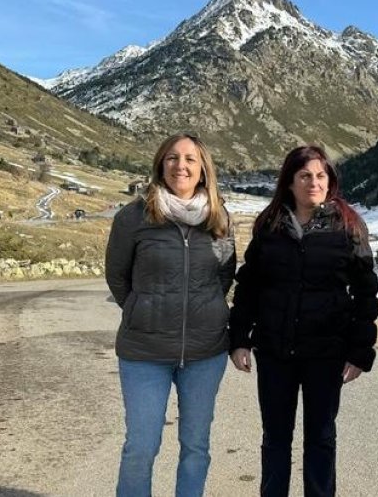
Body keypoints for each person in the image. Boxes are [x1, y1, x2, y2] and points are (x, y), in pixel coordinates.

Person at [229, 145, 378, 497]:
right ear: (290, 182)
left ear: (330, 182)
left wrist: (360, 352)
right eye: (305, 175)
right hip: (275, 352)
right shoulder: (270, 225)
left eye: (321, 175)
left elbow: (366, 293)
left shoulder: (348, 227)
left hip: (326, 354)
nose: (314, 182)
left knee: (322, 438)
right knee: (275, 438)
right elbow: (249, 286)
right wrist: (239, 338)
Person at [105, 133, 236, 497]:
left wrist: (205, 310)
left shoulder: (218, 215)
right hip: (144, 352)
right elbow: (117, 275)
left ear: (202, 170)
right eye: (173, 158)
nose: (181, 165)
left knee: (196, 448)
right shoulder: (133, 216)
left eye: (190, 159)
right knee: (140, 448)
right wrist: (142, 308)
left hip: (205, 352)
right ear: (161, 165)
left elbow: (224, 272)